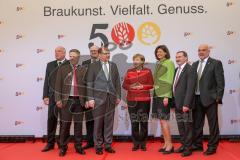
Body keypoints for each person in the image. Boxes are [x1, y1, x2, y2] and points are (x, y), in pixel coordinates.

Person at [86, 47, 121, 155]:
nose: (108, 55)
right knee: (98, 123)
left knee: (109, 123)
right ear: (100, 54)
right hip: (97, 99)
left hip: (111, 98)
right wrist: (90, 98)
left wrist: (118, 96)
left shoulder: (113, 65)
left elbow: (117, 82)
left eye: (109, 53)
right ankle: (98, 146)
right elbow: (89, 83)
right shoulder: (93, 66)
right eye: (105, 53)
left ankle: (108, 145)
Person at [192, 44, 225, 155]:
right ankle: (197, 145)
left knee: (213, 124)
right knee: (197, 124)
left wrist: (218, 97)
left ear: (208, 51)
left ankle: (212, 147)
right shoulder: (195, 64)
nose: (201, 52)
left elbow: (220, 82)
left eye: (203, 50)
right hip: (196, 99)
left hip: (210, 99)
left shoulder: (216, 63)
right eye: (199, 50)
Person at [55, 49, 86, 157]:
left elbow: (86, 87)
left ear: (78, 57)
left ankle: (78, 147)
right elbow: (58, 85)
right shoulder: (62, 69)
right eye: (70, 56)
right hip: (66, 101)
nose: (71, 58)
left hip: (79, 101)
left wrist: (86, 100)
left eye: (74, 56)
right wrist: (58, 99)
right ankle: (63, 147)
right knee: (65, 126)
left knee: (78, 125)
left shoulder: (83, 69)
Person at [122, 54, 153, 151]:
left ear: (142, 61)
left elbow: (151, 84)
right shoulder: (129, 71)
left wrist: (142, 87)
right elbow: (124, 85)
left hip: (144, 100)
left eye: (137, 60)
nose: (135, 62)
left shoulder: (148, 71)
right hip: (132, 100)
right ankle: (136, 143)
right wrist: (130, 87)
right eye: (134, 60)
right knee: (134, 122)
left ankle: (143, 143)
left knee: (143, 122)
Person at [41, 46, 67, 152]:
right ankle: (50, 143)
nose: (56, 53)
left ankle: (62, 143)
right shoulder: (50, 65)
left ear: (64, 53)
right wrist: (45, 95)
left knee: (64, 122)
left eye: (59, 51)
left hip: (65, 98)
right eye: (55, 51)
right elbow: (46, 81)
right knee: (51, 120)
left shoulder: (70, 64)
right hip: (52, 97)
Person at [152, 45, 175, 154]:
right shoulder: (158, 63)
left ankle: (170, 145)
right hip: (157, 94)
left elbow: (170, 79)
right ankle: (165, 143)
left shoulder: (169, 63)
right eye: (157, 52)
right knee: (161, 121)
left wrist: (167, 95)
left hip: (164, 95)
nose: (158, 53)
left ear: (166, 53)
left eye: (161, 51)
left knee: (164, 120)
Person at [172, 51, 196, 157]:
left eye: (180, 57)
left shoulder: (190, 69)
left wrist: (186, 104)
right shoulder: (176, 69)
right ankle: (183, 145)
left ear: (186, 58)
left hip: (186, 105)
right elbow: (175, 87)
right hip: (177, 104)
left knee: (188, 127)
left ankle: (188, 148)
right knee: (181, 127)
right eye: (176, 57)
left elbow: (190, 89)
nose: (178, 58)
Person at [82, 45, 99, 150]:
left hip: (101, 97)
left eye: (95, 50)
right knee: (89, 121)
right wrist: (86, 99)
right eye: (91, 50)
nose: (93, 52)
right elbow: (83, 82)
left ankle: (99, 142)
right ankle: (90, 142)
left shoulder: (103, 63)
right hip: (88, 96)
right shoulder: (84, 64)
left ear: (99, 52)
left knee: (100, 121)